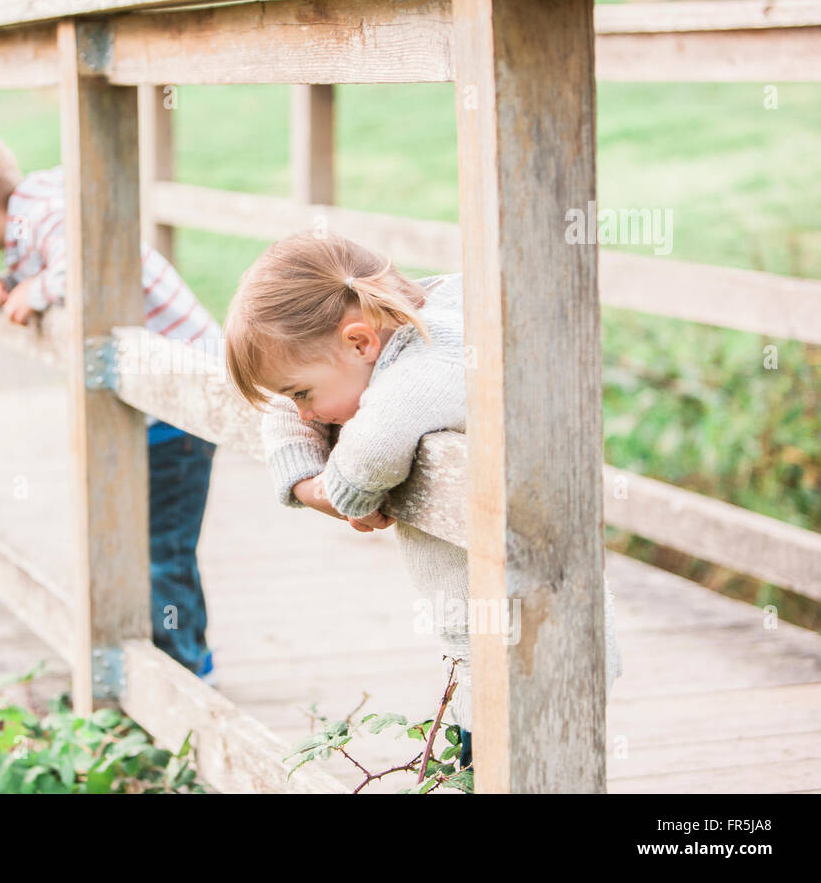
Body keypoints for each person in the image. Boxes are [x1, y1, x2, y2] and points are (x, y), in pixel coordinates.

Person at [222, 230, 622, 773]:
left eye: (304, 395)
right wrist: (304, 482)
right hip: (490, 641)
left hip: (535, 641)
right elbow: (282, 407)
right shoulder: (405, 321)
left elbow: (373, 452)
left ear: (361, 343)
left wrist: (340, 494)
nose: (306, 415)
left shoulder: (434, 361)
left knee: (526, 774)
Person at [0, 114, 221, 682]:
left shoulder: (47, 214)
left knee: (160, 547)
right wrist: (13, 289)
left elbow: (86, 260)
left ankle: (186, 675)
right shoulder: (28, 217)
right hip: (152, 411)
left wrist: (36, 290)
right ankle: (170, 659)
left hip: (182, 406)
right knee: (139, 540)